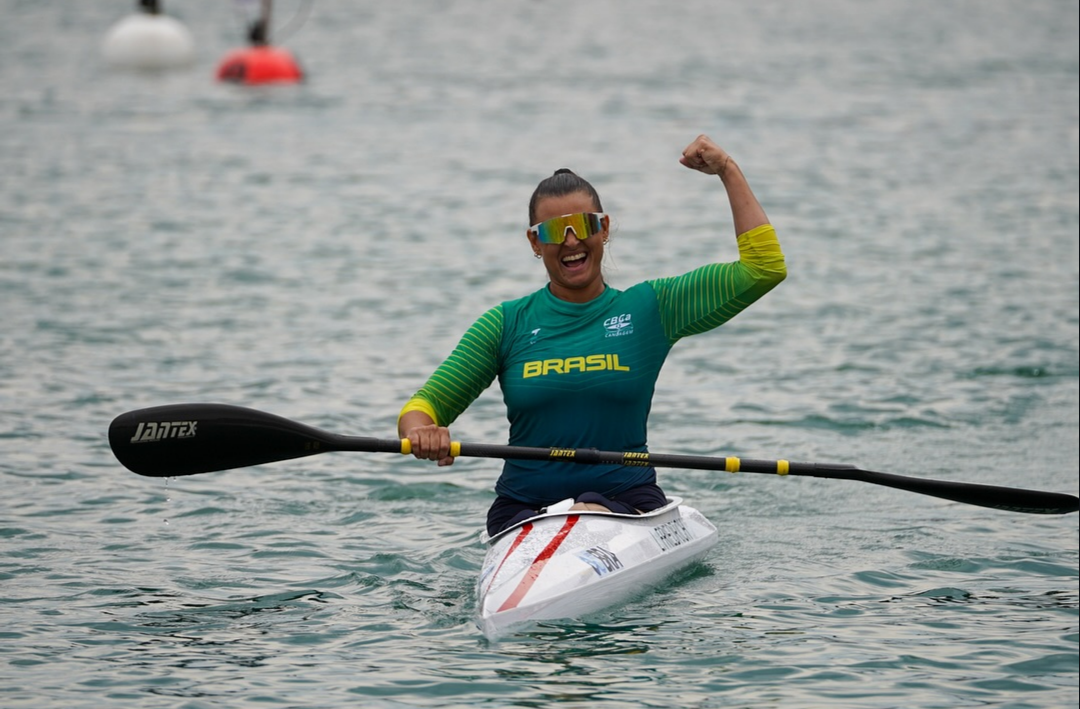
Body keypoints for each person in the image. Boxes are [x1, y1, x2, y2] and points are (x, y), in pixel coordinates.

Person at [398, 134, 787, 537]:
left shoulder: (652, 307)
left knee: (591, 508)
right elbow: (423, 406)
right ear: (535, 241)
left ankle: (586, 513)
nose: (571, 241)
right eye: (554, 231)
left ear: (603, 229)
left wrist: (727, 170)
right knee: (574, 514)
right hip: (524, 513)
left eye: (583, 225)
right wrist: (422, 431)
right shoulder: (505, 323)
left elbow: (764, 269)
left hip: (628, 504)